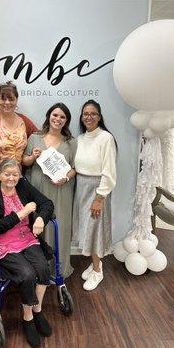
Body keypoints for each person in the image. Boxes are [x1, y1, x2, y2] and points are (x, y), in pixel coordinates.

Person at [0, 159, 54, 348]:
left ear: (20, 175)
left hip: (27, 238)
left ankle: (38, 310)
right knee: (27, 274)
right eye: (7, 174)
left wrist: (40, 217)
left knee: (42, 268)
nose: (11, 178)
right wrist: (22, 213)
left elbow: (47, 203)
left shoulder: (23, 186)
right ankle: (28, 318)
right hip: (5, 242)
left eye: (15, 174)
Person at [23, 103, 77, 278]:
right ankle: (39, 270)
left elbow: (76, 167)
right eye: (55, 115)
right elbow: (24, 162)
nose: (58, 119)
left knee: (59, 227)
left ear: (66, 121)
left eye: (62, 117)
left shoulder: (71, 142)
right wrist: (33, 156)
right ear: (48, 116)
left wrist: (67, 177)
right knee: (38, 227)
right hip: (38, 190)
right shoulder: (34, 138)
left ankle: (58, 269)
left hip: (62, 191)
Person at [73, 99, 116, 291]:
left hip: (97, 188)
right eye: (85, 114)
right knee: (86, 229)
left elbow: (109, 172)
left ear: (99, 117)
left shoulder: (105, 138)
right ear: (81, 117)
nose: (88, 117)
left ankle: (98, 270)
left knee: (95, 230)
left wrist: (100, 198)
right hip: (81, 186)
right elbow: (77, 166)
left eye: (93, 114)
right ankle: (94, 263)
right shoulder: (80, 139)